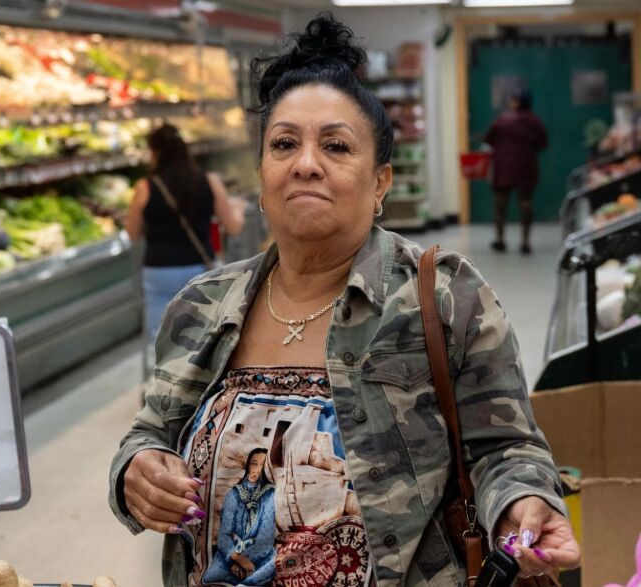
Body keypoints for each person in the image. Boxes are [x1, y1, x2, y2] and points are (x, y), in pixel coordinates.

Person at [110, 14, 579, 586]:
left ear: (381, 181)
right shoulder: (201, 306)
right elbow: (149, 434)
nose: (306, 162)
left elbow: (507, 448)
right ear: (262, 175)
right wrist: (134, 472)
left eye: (336, 145)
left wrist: (522, 501)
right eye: (284, 143)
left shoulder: (443, 297)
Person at [125, 123, 244, 344]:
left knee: (163, 339)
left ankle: (168, 376)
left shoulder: (145, 187)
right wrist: (237, 209)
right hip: (199, 268)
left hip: (159, 271)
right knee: (204, 335)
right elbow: (234, 226)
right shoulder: (209, 180)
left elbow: (132, 233)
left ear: (156, 152)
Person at [484, 89, 548, 255]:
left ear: (518, 103)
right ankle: (525, 241)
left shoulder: (502, 119)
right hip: (526, 167)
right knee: (526, 203)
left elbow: (489, 138)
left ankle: (500, 240)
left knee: (500, 204)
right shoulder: (534, 121)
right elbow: (543, 142)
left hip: (503, 167)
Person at [202, 448, 276, 585]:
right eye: (254, 463)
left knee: (268, 572)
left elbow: (266, 536)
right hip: (230, 555)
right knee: (214, 574)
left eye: (263, 465)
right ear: (248, 465)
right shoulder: (234, 493)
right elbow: (224, 534)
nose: (258, 469)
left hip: (260, 555)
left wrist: (248, 559)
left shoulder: (270, 494)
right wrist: (236, 559)